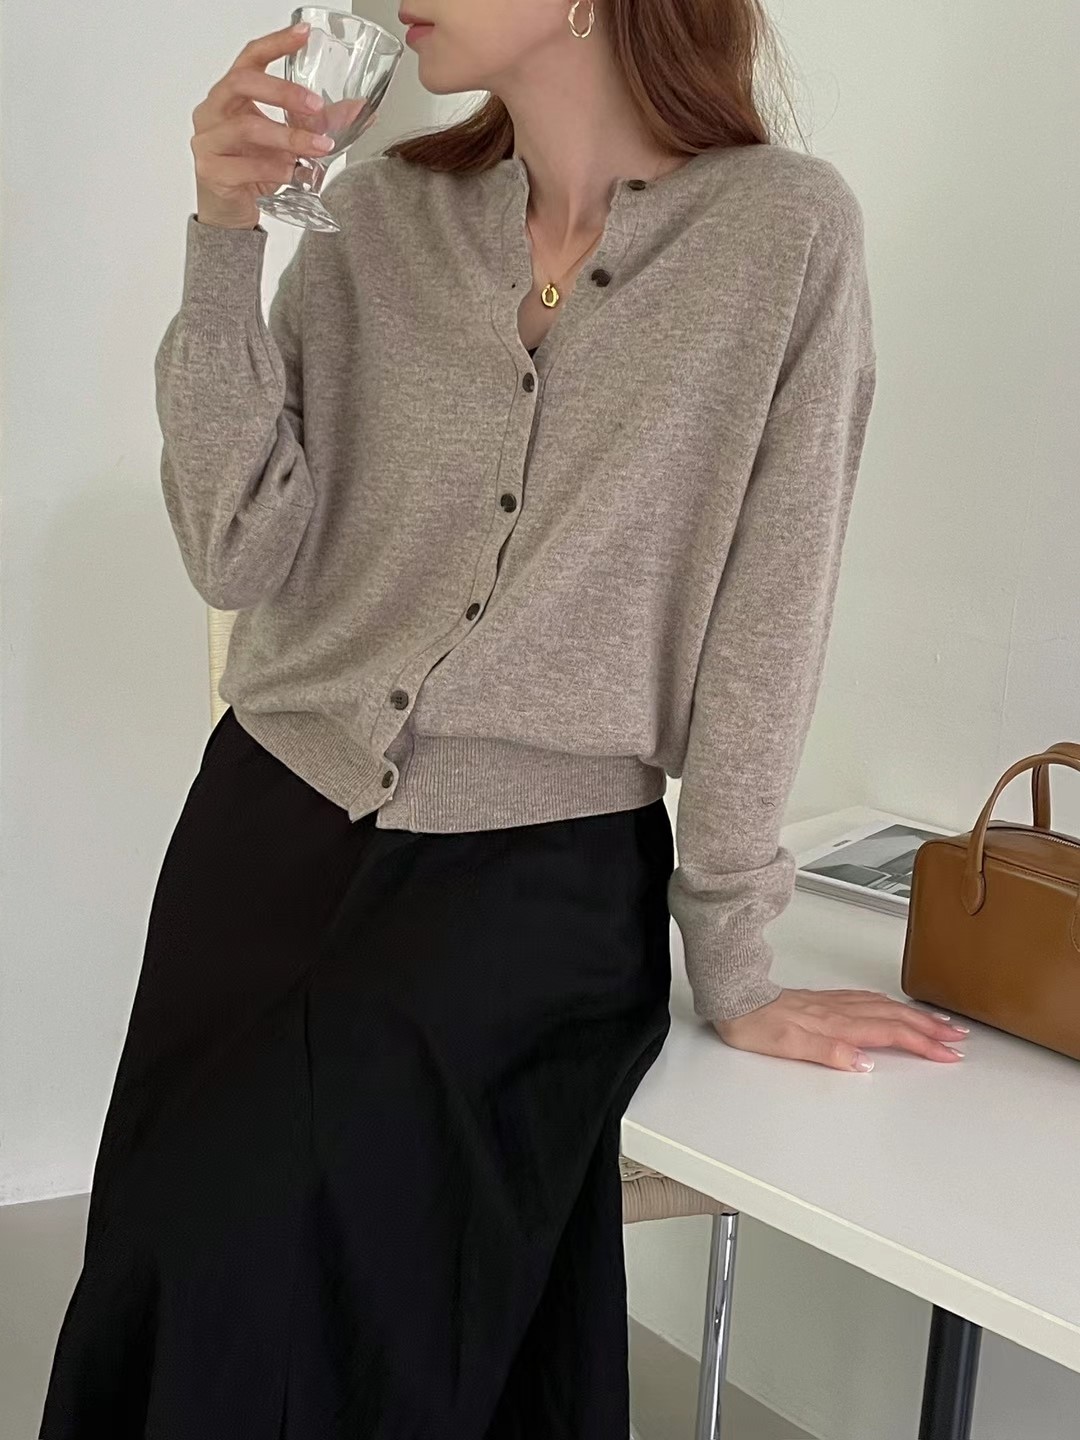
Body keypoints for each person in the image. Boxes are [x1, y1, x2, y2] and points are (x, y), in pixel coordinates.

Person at [39, 1, 969, 1435]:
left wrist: (733, 957)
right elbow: (237, 550)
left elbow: (768, 624)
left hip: (530, 893)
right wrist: (223, 239)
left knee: (388, 1330)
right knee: (179, 1283)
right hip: (262, 835)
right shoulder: (380, 216)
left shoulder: (780, 237)